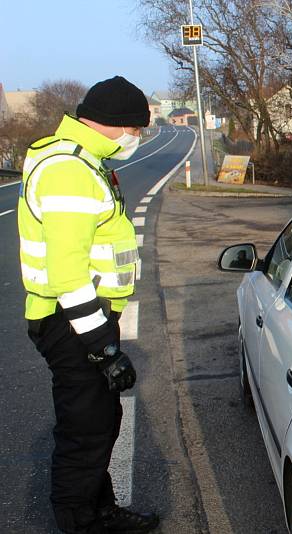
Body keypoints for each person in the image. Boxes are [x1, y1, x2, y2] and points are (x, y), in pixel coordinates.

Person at [18, 76, 159, 533]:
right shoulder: (70, 171)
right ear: (113, 125)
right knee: (86, 429)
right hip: (73, 320)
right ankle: (81, 522)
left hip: (82, 317)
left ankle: (100, 510)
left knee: (99, 420)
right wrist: (103, 347)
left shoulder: (82, 160)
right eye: (136, 131)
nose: (136, 139)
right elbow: (67, 274)